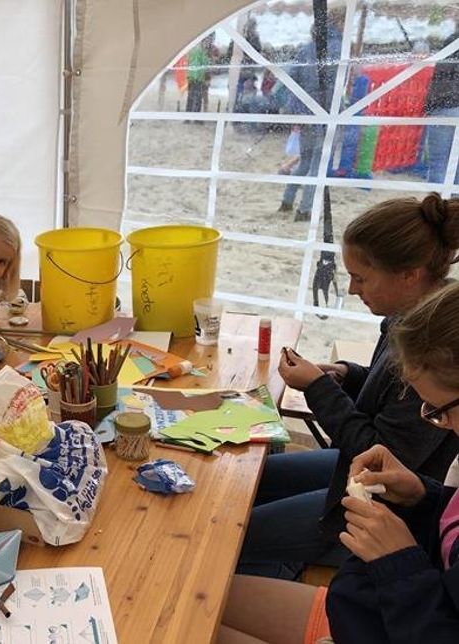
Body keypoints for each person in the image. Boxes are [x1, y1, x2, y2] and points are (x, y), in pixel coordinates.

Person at [220, 280, 459, 644]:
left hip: (390, 612)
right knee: (196, 595)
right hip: (368, 610)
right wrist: (423, 497)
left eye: (439, 412)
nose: (440, 425)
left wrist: (398, 561)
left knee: (189, 618)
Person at [237, 193, 459, 580]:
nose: (353, 289)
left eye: (361, 277)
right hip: (368, 472)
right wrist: (346, 374)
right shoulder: (413, 317)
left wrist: (319, 389)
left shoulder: (434, 352)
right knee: (250, 479)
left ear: (410, 274)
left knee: (234, 532)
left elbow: (377, 451)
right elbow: (384, 394)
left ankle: (291, 569)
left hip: (384, 500)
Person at [277, 12, 342, 223]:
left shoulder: (306, 48)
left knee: (304, 161)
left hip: (306, 111)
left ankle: (287, 201)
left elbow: (292, 78)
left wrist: (295, 108)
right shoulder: (340, 48)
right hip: (326, 111)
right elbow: (336, 85)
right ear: (339, 24)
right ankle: (304, 210)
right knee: (317, 164)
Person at [424, 31, 459, 185]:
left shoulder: (448, 53)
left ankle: (437, 203)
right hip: (448, 106)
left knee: (438, 162)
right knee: (456, 165)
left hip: (444, 108)